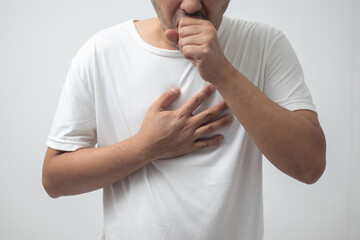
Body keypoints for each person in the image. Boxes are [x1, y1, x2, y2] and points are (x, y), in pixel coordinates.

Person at [42, 0, 326, 239]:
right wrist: (147, 146)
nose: (191, 5)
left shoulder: (265, 44)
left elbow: (309, 165)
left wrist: (223, 72)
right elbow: (55, 179)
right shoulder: (100, 52)